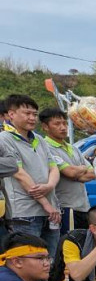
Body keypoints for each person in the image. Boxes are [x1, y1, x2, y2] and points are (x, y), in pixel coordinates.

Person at [0, 94, 61, 257]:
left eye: (34, 114)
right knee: (29, 261)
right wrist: (45, 204)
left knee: (50, 260)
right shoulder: (4, 139)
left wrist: (50, 186)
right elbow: (19, 174)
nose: (32, 118)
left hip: (51, 210)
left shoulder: (40, 140)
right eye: (27, 113)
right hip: (25, 213)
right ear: (11, 114)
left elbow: (54, 168)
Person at [39, 107, 94, 230]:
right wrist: (81, 169)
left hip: (84, 206)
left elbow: (92, 173)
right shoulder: (46, 147)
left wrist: (76, 173)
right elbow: (70, 172)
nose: (63, 127)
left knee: (83, 246)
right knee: (67, 246)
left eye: (64, 123)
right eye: (57, 124)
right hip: (65, 208)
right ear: (45, 127)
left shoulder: (73, 148)